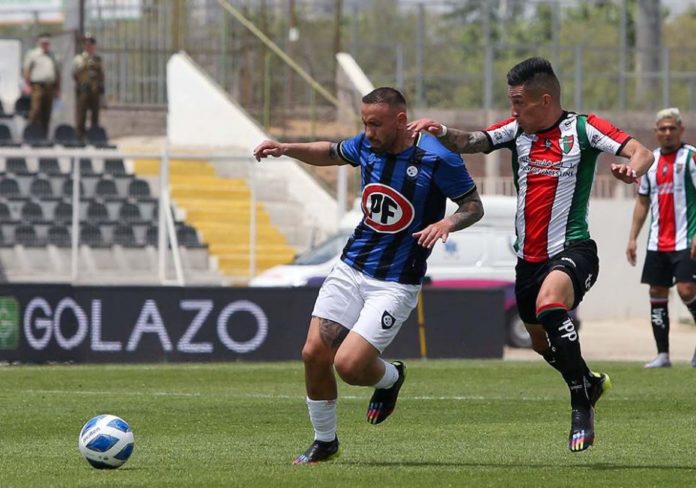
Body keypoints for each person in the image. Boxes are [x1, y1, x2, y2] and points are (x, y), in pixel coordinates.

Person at [408, 57, 654, 452]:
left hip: (572, 248)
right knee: (541, 344)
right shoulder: (515, 131)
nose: (514, 110)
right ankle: (587, 380)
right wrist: (439, 130)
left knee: (550, 304)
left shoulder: (584, 128)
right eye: (511, 102)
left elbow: (641, 151)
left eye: (519, 102)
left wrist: (633, 169)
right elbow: (471, 141)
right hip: (528, 260)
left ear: (544, 99)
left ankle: (580, 401)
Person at [253, 87, 484, 464]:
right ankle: (325, 441)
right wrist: (285, 148)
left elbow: (473, 206)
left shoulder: (438, 157)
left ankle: (390, 378)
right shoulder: (367, 145)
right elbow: (330, 151)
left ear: (400, 120)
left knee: (349, 366)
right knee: (314, 352)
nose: (369, 131)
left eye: (375, 124)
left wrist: (446, 222)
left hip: (396, 281)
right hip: (352, 266)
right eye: (365, 123)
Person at [626, 107, 696, 369]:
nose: (667, 133)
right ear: (656, 133)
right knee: (657, 292)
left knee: (687, 289)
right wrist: (632, 238)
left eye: (672, 128)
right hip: (657, 241)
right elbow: (642, 202)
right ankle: (663, 355)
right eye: (662, 129)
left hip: (687, 240)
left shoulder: (691, 158)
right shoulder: (651, 162)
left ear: (681, 130)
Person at [22, 33, 61, 134]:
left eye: (47, 43)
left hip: (50, 86)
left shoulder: (52, 55)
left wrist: (57, 88)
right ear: (39, 43)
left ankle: (44, 134)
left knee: (47, 112)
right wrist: (27, 85)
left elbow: (57, 73)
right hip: (37, 86)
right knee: (35, 110)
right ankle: (31, 133)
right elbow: (27, 71)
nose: (45, 45)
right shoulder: (33, 54)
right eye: (44, 43)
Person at [72, 33, 105, 140]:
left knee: (95, 115)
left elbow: (101, 75)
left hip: (94, 90)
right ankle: (80, 136)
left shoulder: (98, 59)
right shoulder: (79, 58)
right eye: (87, 45)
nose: (89, 47)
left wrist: (101, 86)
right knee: (81, 114)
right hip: (83, 90)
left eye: (91, 45)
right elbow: (75, 74)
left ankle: (94, 136)